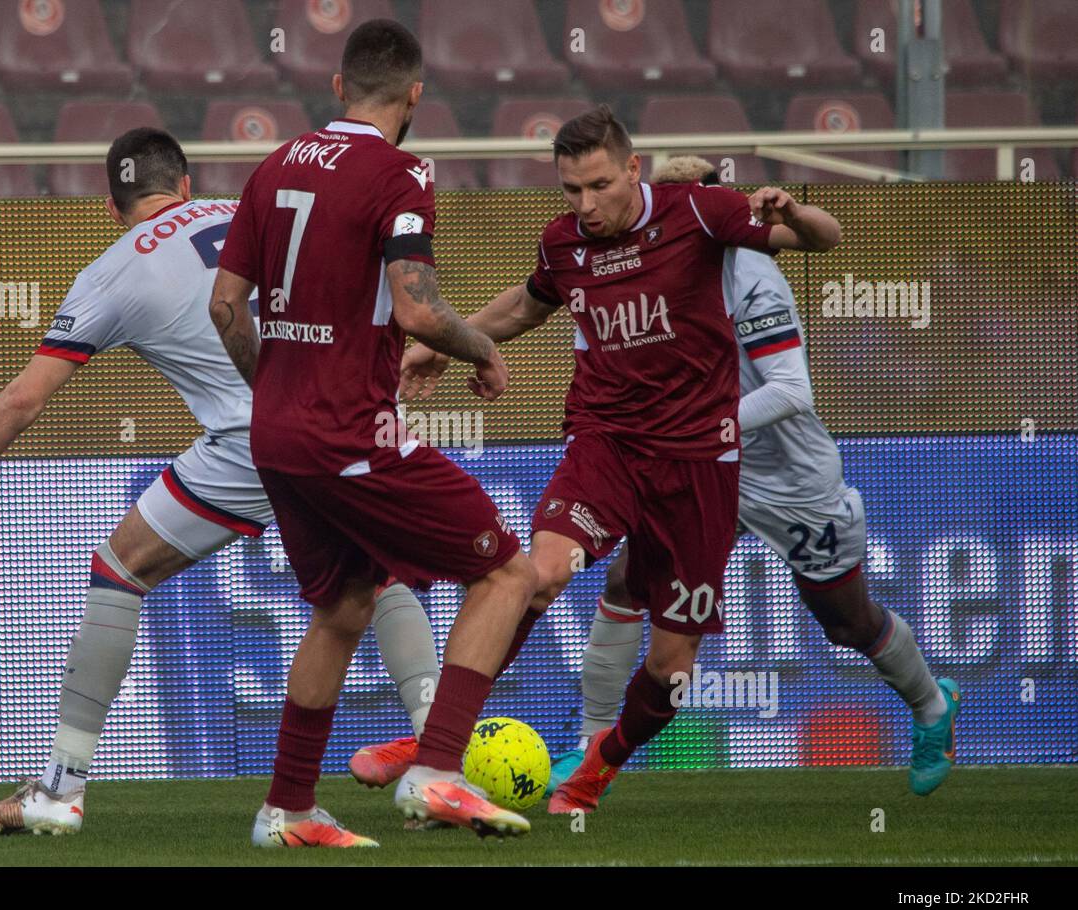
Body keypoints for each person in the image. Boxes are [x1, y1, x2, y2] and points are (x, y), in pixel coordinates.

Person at [0, 127, 424, 843]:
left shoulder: (112, 269)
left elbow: (25, 398)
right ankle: (439, 755)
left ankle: (61, 788)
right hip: (339, 419)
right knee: (373, 573)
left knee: (119, 568)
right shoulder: (254, 211)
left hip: (251, 443)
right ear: (188, 186)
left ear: (113, 208)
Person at [358, 107, 842, 814]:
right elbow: (526, 306)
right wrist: (439, 344)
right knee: (535, 574)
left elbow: (828, 242)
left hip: (699, 464)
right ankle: (439, 740)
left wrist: (794, 212)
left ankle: (599, 765)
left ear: (633, 170)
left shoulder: (702, 213)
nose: (584, 205)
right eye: (570, 190)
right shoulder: (562, 243)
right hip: (606, 442)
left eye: (598, 186)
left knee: (672, 669)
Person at [210, 19, 538, 845]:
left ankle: (286, 809)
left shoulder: (274, 163)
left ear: (337, 87)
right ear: (415, 95)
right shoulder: (401, 172)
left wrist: (276, 388)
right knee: (508, 573)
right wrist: (479, 346)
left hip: (277, 433)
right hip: (350, 432)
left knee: (343, 605)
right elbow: (416, 305)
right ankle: (435, 771)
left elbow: (223, 303)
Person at [546, 158, 959, 807]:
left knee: (845, 623)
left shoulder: (747, 270)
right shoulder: (635, 264)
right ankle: (590, 745)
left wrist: (688, 426)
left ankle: (933, 706)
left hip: (786, 477)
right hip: (700, 468)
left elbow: (793, 391)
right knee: (629, 578)